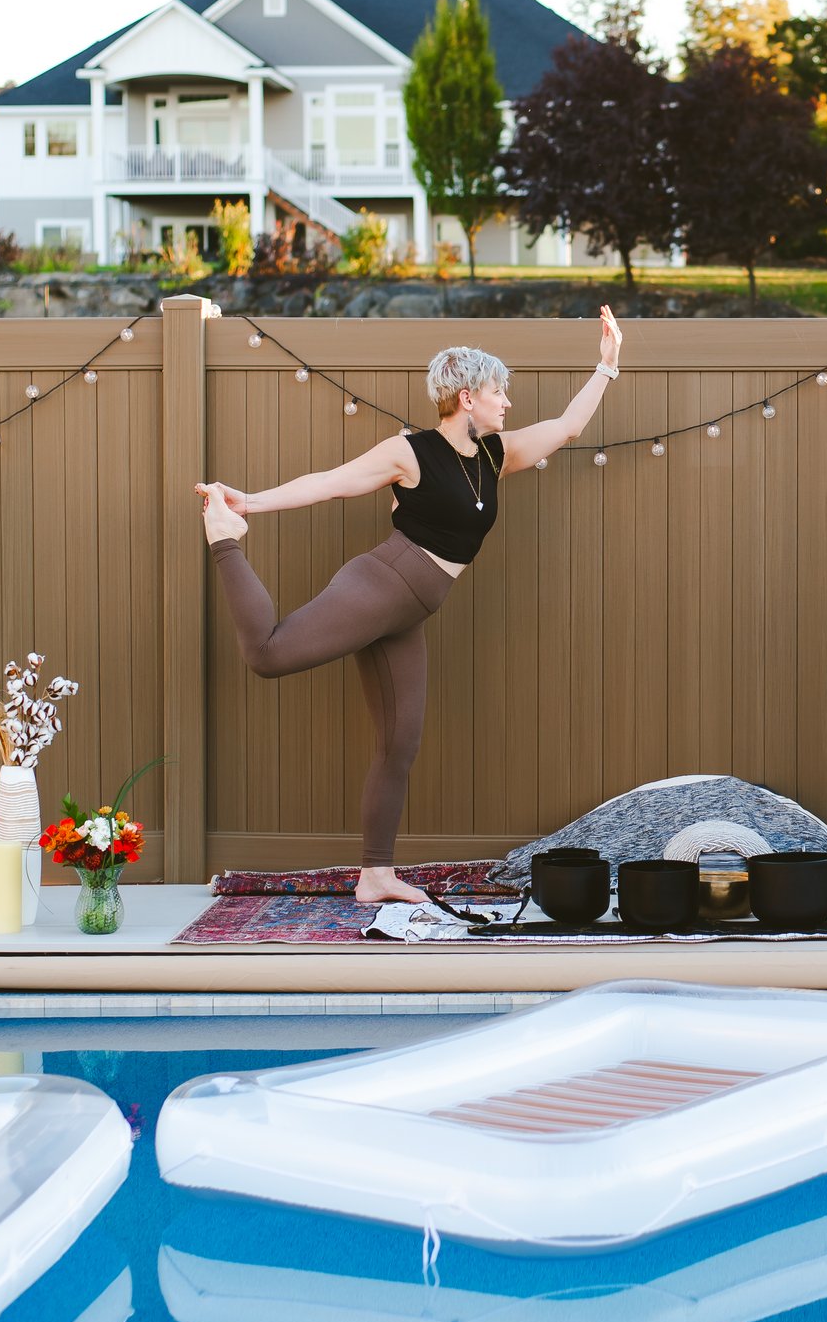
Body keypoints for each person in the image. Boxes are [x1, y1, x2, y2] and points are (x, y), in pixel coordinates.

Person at [196, 308, 625, 903]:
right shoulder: (410, 451)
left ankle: (376, 874)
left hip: (409, 611)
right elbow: (330, 481)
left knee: (401, 740)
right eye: (500, 392)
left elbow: (568, 428)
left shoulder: (496, 456)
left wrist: (607, 364)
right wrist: (249, 504)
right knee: (268, 654)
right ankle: (224, 543)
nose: (507, 403)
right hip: (381, 585)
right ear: (469, 396)